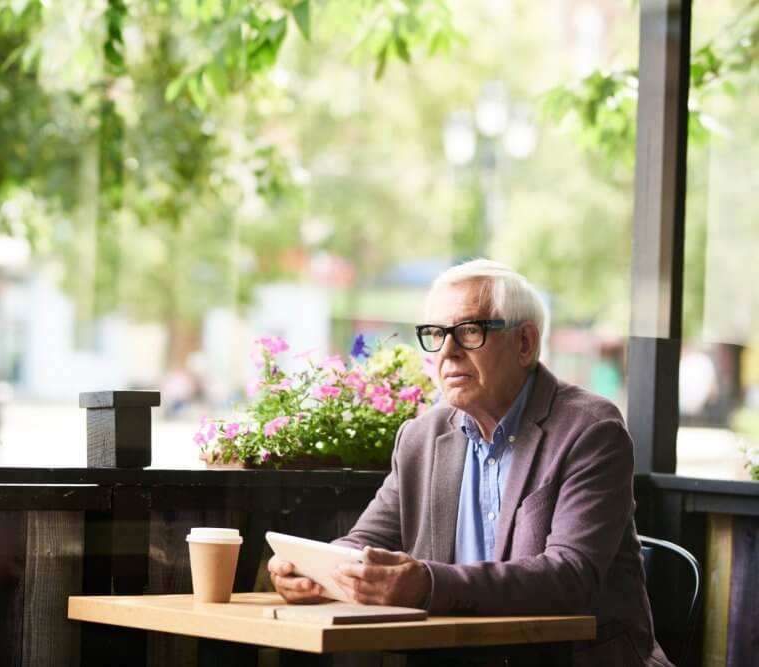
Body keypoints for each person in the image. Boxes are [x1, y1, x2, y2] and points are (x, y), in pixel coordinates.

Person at [268, 259, 670, 667]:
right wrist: (314, 572)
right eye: (436, 334)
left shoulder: (589, 430)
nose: (447, 351)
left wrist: (427, 585)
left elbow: (569, 576)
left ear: (525, 343)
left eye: (469, 331)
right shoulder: (420, 438)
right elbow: (365, 541)